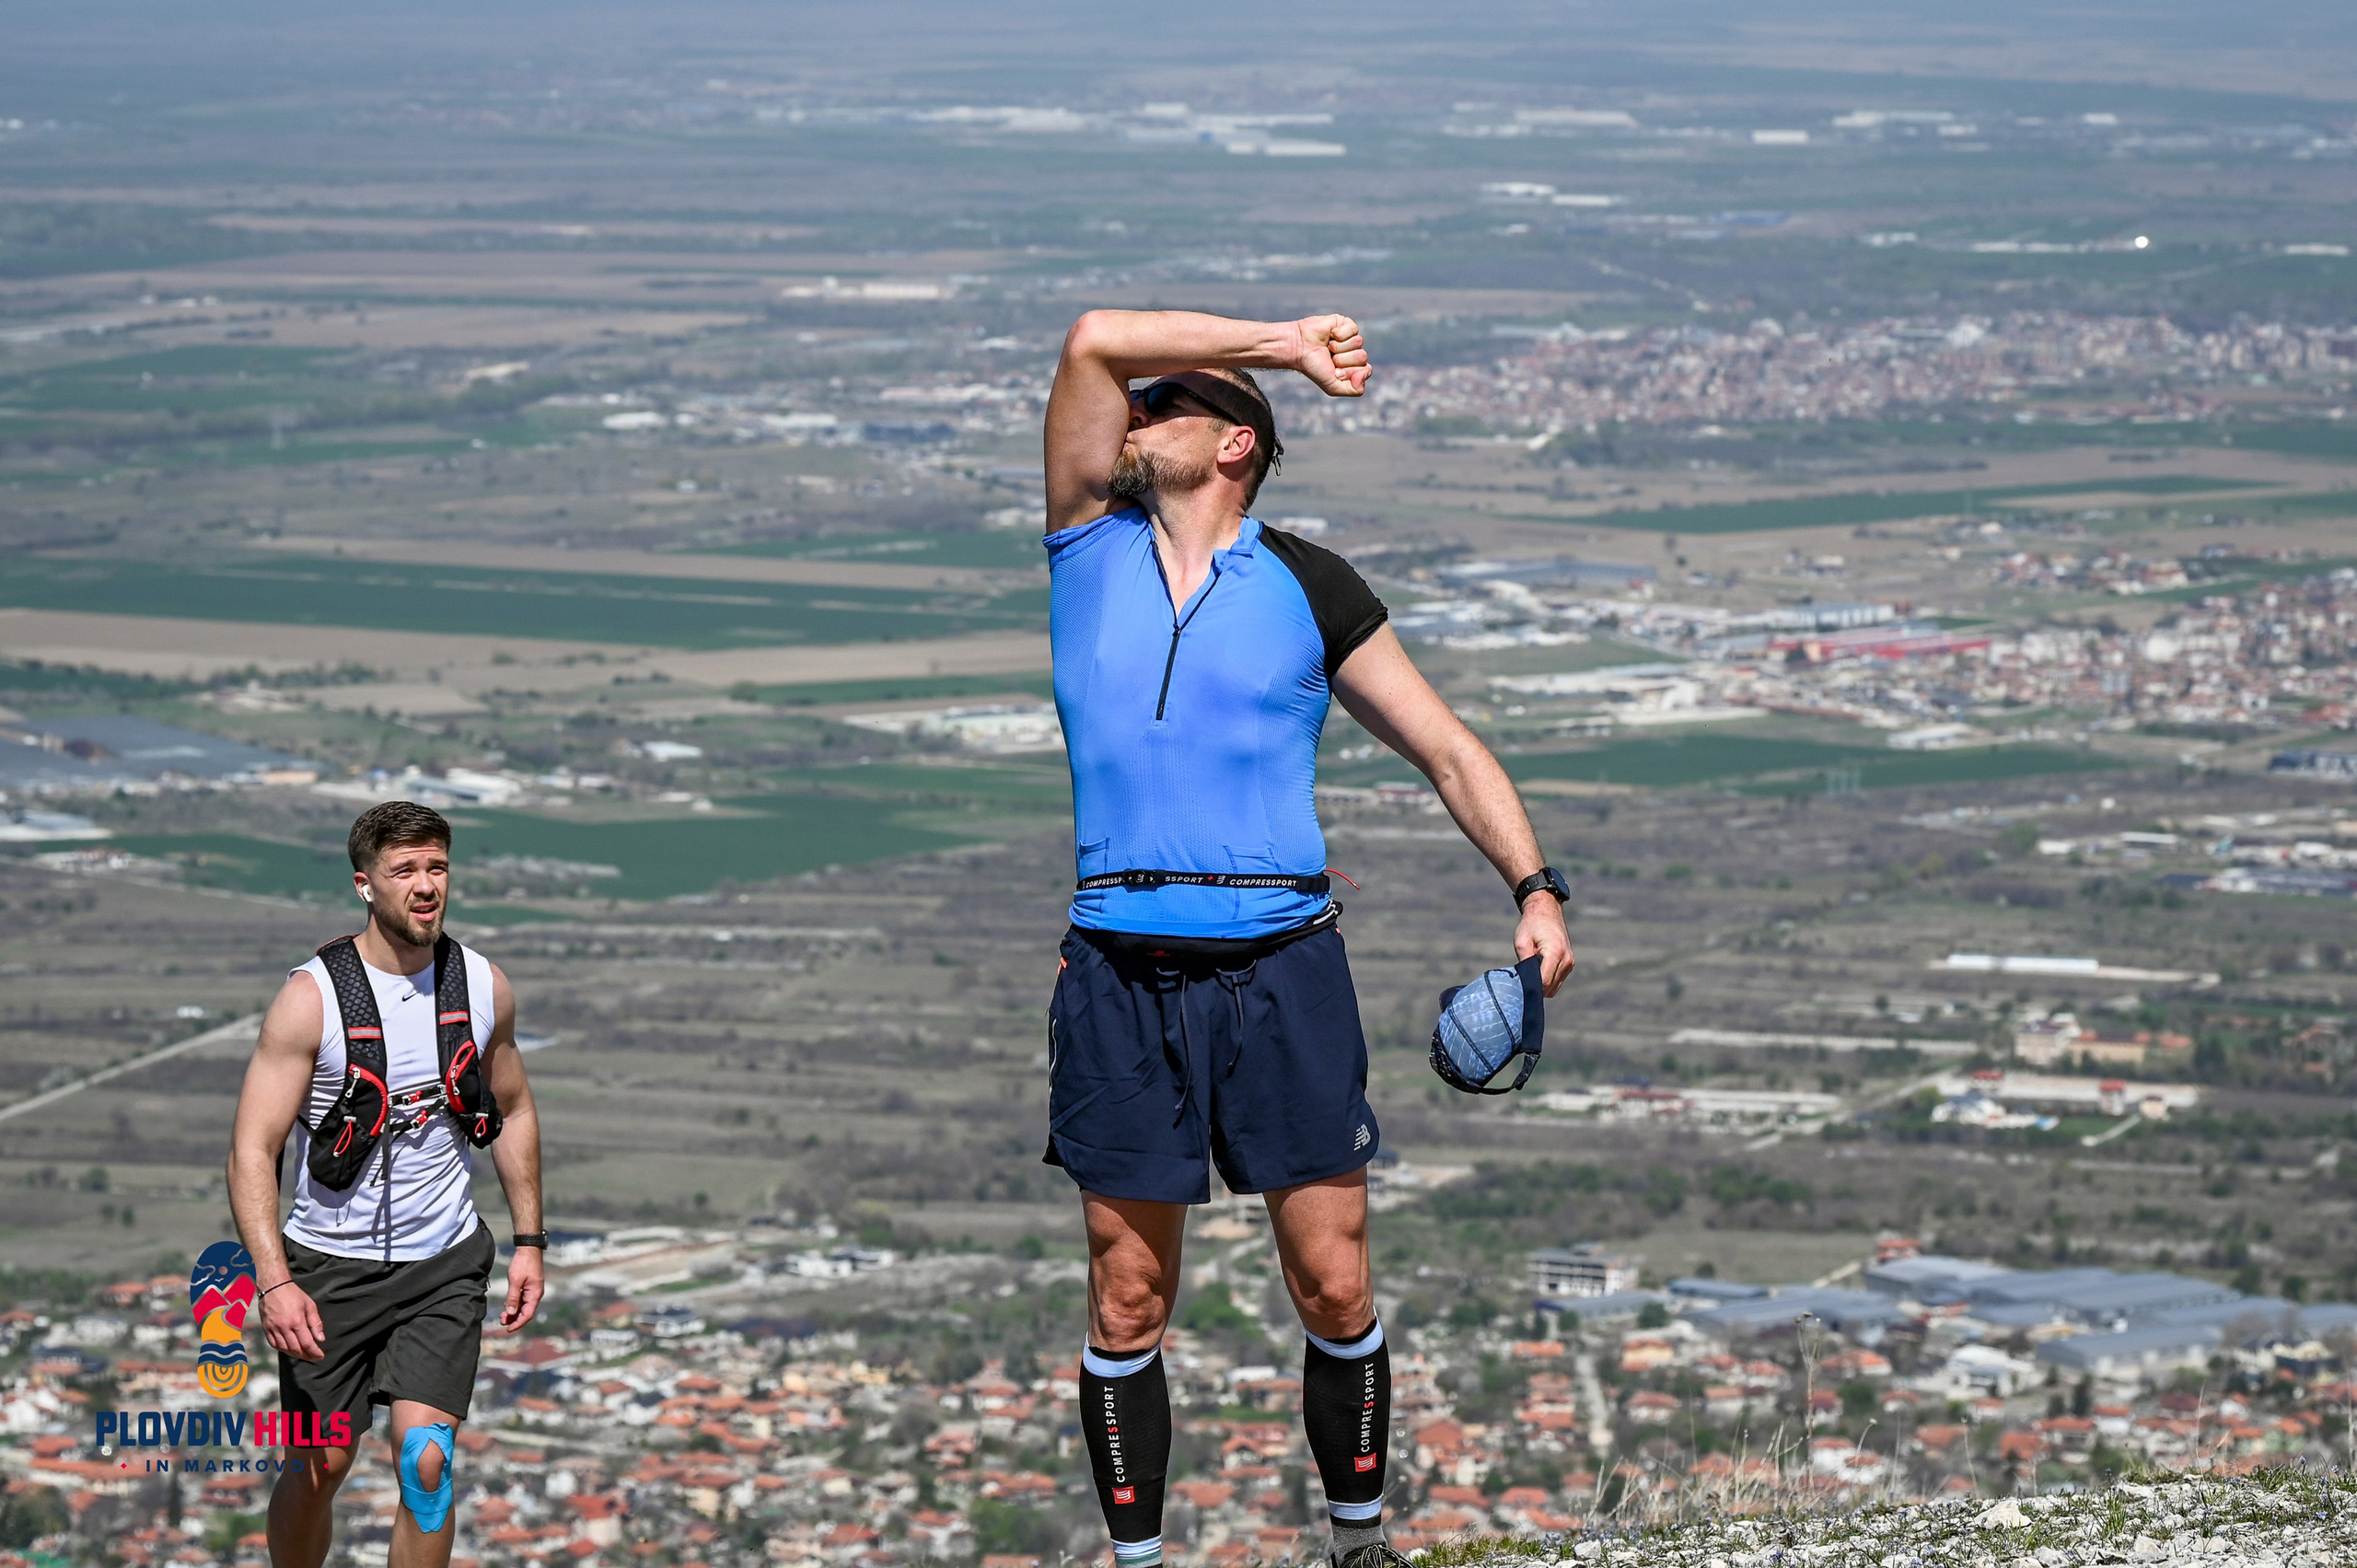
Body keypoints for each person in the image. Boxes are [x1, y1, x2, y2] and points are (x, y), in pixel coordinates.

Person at [1039, 309, 1576, 1568]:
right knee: (1128, 1298)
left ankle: (1359, 1541)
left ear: (1234, 445)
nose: (1131, 412)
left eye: (1163, 403)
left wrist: (1536, 884)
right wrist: (1278, 340)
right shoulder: (1085, 547)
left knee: (1333, 1281)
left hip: (1285, 964)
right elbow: (1089, 340)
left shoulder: (1310, 583)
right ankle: (1138, 1559)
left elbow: (1447, 746)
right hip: (1118, 969)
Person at [226, 801, 545, 1568]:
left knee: (426, 1464)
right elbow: (252, 1147)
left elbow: (513, 1106)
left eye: (437, 867)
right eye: (406, 870)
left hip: (443, 1260)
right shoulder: (312, 998)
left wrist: (531, 1239)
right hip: (327, 1265)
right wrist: (273, 1282)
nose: (426, 885)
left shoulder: (482, 986)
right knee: (320, 1464)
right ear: (366, 884)